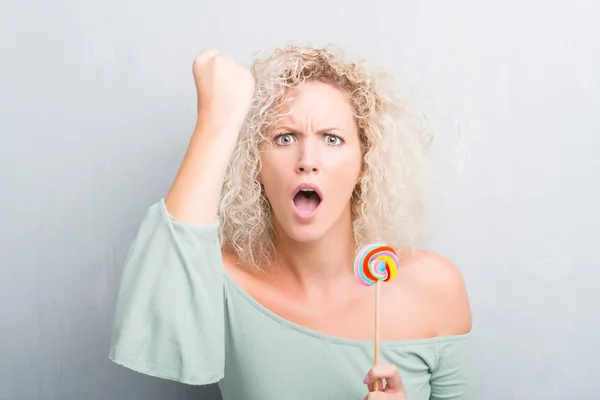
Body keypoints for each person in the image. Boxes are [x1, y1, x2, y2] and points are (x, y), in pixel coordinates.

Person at [108, 44, 478, 400]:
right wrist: (215, 122)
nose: (307, 160)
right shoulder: (223, 281)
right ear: (256, 165)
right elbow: (149, 323)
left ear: (365, 165)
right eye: (284, 138)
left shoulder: (434, 288)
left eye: (332, 139)